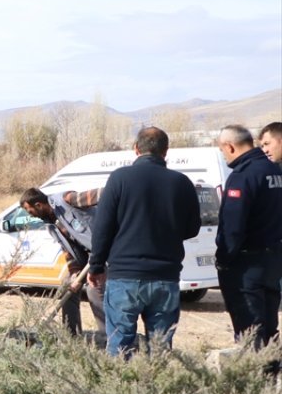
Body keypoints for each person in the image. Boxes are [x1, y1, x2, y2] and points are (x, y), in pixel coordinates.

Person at [88, 127, 201, 358]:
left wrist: (96, 265)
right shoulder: (182, 183)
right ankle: (156, 391)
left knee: (119, 346)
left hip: (124, 277)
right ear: (165, 151)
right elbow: (192, 229)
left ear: (136, 149)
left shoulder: (120, 178)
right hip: (165, 278)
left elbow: (102, 227)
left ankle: (120, 391)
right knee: (159, 350)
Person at [214, 124, 282, 350]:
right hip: (272, 262)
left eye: (223, 151)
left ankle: (254, 379)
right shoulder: (275, 171)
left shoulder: (243, 175)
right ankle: (270, 379)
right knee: (270, 327)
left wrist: (223, 260)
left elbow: (232, 226)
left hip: (246, 267)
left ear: (230, 147)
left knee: (250, 331)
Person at [20, 187, 104, 337]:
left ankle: (109, 337)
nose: (31, 216)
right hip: (86, 259)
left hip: (104, 251)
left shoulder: (66, 200)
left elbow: (99, 195)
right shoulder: (50, 225)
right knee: (67, 285)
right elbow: (67, 251)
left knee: (93, 289)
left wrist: (121, 193)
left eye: (30, 211)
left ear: (38, 205)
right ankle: (71, 336)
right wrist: (74, 274)